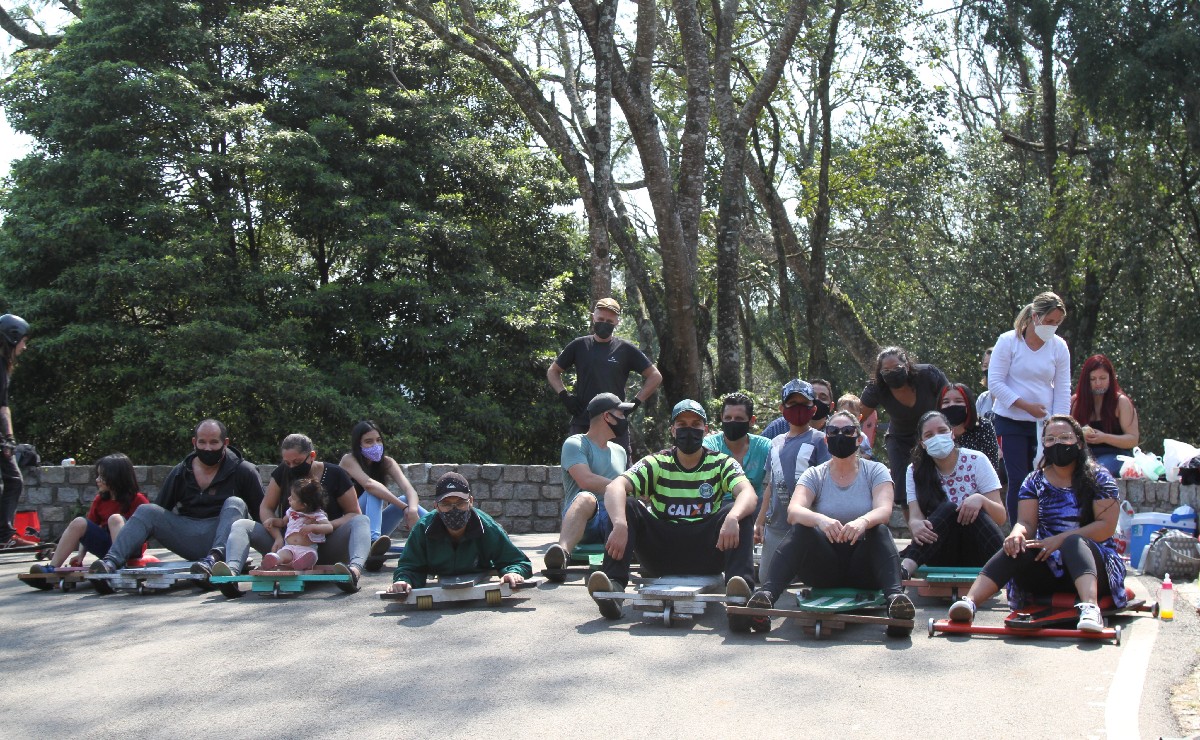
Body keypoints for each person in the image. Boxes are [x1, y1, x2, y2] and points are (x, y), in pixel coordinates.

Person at [587, 399, 760, 630]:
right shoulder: (657, 462)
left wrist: (733, 517)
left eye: (695, 424)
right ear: (672, 430)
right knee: (626, 505)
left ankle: (740, 599)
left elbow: (748, 493)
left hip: (707, 553)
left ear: (705, 429)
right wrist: (620, 524)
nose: (689, 430)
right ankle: (614, 588)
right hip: (661, 554)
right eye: (682, 424)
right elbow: (614, 487)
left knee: (739, 511)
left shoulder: (721, 463)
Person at [947, 415, 1126, 633]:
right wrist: (1016, 534)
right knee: (1016, 547)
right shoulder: (1034, 481)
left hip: (1094, 566)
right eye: (1050, 439)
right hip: (1049, 563)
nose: (1057, 443)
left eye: (1065, 437)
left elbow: (1105, 527)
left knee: (1074, 542)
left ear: (1079, 443)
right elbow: (1026, 522)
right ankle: (969, 603)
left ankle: (1090, 608)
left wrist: (1059, 540)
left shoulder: (1100, 478)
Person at [747, 411, 915, 631]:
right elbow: (794, 511)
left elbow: (883, 510)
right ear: (826, 440)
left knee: (879, 530)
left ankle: (895, 601)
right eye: (833, 432)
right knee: (801, 529)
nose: (840, 436)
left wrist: (863, 522)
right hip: (825, 567)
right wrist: (820, 520)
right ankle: (766, 597)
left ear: (859, 438)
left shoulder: (875, 470)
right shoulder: (814, 474)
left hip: (865, 567)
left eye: (848, 431)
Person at [88, 419, 264, 583]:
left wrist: (273, 553)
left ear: (225, 443)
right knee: (147, 510)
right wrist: (134, 547)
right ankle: (110, 562)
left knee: (235, 502)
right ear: (194, 442)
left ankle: (213, 560)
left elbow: (261, 516)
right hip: (187, 535)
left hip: (224, 537)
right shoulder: (181, 472)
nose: (208, 448)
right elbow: (158, 511)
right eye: (202, 442)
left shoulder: (244, 471)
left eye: (214, 443)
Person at [213, 434, 370, 595]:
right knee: (241, 525)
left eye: (297, 462)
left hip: (325, 547)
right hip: (286, 547)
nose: (292, 467)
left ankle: (354, 571)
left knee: (362, 520)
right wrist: (277, 536)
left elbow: (353, 513)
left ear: (312, 456)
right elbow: (266, 507)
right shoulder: (282, 472)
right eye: (287, 463)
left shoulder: (336, 474)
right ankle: (231, 574)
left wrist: (321, 526)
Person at [988, 291, 1070, 524]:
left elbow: (1063, 388)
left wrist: (1060, 424)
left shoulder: (1059, 347)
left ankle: (1045, 526)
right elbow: (995, 382)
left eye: (1057, 323)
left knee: (1045, 475)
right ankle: (1020, 529)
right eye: (1049, 321)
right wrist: (1025, 406)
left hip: (1044, 423)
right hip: (1011, 420)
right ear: (1035, 316)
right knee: (1018, 478)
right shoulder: (1008, 341)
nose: (1053, 327)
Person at [546, 297, 663, 453]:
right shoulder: (579, 345)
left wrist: (635, 403)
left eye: (609, 321)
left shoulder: (625, 349)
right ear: (593, 317)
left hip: (614, 424)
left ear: (617, 322)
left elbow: (655, 376)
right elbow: (553, 371)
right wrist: (564, 396)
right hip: (582, 420)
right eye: (601, 319)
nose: (604, 323)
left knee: (619, 467)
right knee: (576, 464)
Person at [899, 411, 1006, 579]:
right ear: (923, 444)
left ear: (952, 433)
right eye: (929, 435)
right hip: (941, 548)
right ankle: (905, 568)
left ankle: (1009, 569)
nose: (937, 437)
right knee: (949, 508)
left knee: (968, 509)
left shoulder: (977, 460)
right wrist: (916, 525)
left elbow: (1000, 517)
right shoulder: (914, 471)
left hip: (978, 547)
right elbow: (915, 517)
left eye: (942, 431)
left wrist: (981, 500)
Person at [388, 472, 531, 595]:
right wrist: (403, 581)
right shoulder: (422, 528)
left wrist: (513, 572)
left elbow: (517, 561)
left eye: (460, 503)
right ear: (436, 506)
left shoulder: (487, 527)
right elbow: (408, 566)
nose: (454, 509)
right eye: (446, 504)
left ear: (471, 502)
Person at [28, 453, 150, 582]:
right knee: (79, 522)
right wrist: (80, 555)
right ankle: (52, 568)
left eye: (102, 476)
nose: (97, 480)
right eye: (98, 475)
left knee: (115, 519)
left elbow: (149, 526)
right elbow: (87, 528)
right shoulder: (100, 500)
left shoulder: (138, 500)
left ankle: (118, 566)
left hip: (130, 549)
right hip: (108, 549)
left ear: (116, 477)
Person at [544, 393, 630, 573]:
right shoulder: (575, 443)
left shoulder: (620, 451)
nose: (624, 419)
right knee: (586, 498)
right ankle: (561, 555)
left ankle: (647, 555)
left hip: (612, 517)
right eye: (621, 414)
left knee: (634, 506)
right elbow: (586, 480)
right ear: (607, 416)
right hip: (586, 519)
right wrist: (621, 487)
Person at [754, 380, 830, 580]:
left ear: (813, 409)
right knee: (767, 579)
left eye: (804, 404)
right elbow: (770, 485)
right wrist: (760, 521)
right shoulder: (775, 443)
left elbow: (827, 482)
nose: (798, 408)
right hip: (777, 528)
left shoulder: (820, 440)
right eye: (792, 403)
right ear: (782, 408)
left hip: (809, 528)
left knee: (810, 579)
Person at [860, 346, 949, 506]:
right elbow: (858, 415)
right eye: (886, 371)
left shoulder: (928, 374)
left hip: (932, 436)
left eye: (897, 368)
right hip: (900, 440)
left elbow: (951, 400)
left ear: (907, 365)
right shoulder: (876, 388)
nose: (892, 373)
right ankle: (913, 520)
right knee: (903, 490)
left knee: (936, 481)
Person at [339, 420, 426, 570]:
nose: (376, 445)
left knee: (406, 500)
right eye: (369, 442)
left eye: (378, 440)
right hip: (350, 527)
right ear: (358, 444)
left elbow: (409, 489)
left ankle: (439, 530)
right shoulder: (349, 460)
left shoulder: (387, 462)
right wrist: (404, 507)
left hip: (374, 526)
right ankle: (372, 544)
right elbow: (369, 485)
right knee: (374, 492)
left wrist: (411, 510)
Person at [1070, 354, 1139, 477]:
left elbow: (1133, 439)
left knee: (1097, 471)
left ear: (1110, 378)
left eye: (1102, 378)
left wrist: (1104, 438)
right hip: (1084, 455)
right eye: (1093, 379)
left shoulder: (1121, 402)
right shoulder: (1075, 402)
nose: (1098, 383)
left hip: (1116, 455)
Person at [703, 392, 771, 506]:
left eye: (739, 418)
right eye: (728, 418)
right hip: (719, 507)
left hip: (755, 506)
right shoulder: (710, 445)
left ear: (751, 421)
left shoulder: (764, 446)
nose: (732, 422)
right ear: (722, 418)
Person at [0, 313, 31, 547]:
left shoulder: (3, 366)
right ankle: (4, 536)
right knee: (12, 480)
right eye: (23, 341)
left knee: (13, 479)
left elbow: (3, 405)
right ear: (12, 337)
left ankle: (4, 536)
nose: (24, 347)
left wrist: (9, 438)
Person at [260, 478, 333, 570]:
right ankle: (275, 559)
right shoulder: (291, 512)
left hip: (307, 548)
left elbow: (329, 527)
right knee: (283, 553)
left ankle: (303, 563)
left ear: (304, 505)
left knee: (312, 555)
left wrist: (313, 527)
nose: (289, 498)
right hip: (289, 547)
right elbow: (282, 522)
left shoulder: (317, 515)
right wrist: (273, 521)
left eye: (293, 498)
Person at [938, 383, 1000, 474]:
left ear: (968, 404)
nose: (951, 405)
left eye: (958, 401)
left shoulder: (983, 427)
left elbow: (992, 467)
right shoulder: (935, 431)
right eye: (946, 402)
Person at [761, 378, 835, 439]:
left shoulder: (836, 428)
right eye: (813, 396)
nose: (817, 400)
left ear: (831, 406)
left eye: (823, 398)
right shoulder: (778, 427)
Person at [976, 348, 995, 422]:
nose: (988, 370)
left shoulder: (1013, 397)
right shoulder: (982, 398)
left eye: (992, 365)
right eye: (985, 366)